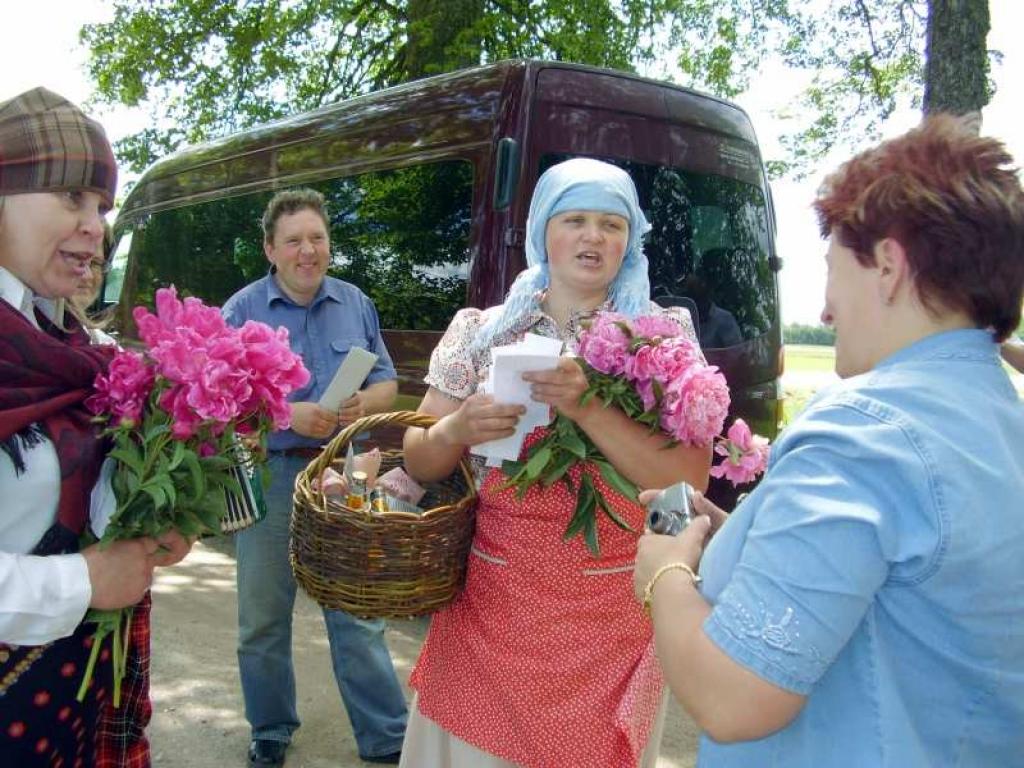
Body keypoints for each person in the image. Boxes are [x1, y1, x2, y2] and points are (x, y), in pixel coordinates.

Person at [634, 115, 1024, 766]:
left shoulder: (864, 435)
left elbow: (733, 697)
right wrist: (743, 532)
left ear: (890, 268)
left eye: (833, 269)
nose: (823, 311)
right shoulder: (998, 421)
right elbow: (898, 587)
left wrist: (664, 572)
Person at [400, 158, 713, 768]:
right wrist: (458, 427)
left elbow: (688, 480)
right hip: (494, 608)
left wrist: (588, 404)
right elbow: (418, 459)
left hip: (610, 619)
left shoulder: (662, 335)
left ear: (631, 239)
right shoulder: (485, 330)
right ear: (544, 230)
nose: (594, 237)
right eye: (575, 219)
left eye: (611, 224)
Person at [0, 87, 191, 766]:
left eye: (102, 207)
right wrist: (84, 582)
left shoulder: (78, 348)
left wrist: (146, 522)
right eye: (71, 198)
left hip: (68, 705)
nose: (95, 226)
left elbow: (79, 491)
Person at [221, 188, 408, 767]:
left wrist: (361, 405)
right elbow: (217, 403)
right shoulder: (241, 311)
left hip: (344, 475)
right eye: (295, 240)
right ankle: (271, 728)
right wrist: (283, 413)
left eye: (318, 238)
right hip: (269, 476)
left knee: (357, 612)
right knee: (263, 617)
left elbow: (387, 383)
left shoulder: (355, 302)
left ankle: (386, 737)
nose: (308, 250)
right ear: (270, 250)